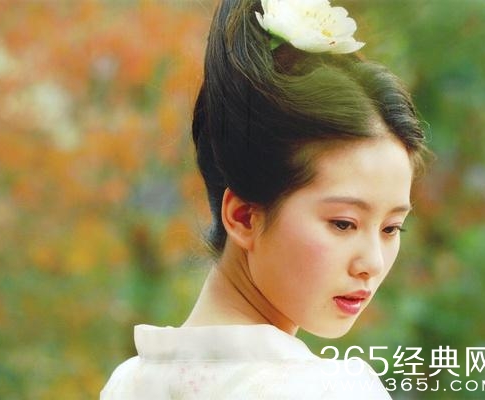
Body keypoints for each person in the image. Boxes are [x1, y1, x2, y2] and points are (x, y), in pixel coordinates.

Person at [101, 0, 428, 398]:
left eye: (392, 228)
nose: (372, 264)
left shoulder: (129, 383)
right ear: (243, 217)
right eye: (343, 223)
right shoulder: (329, 389)